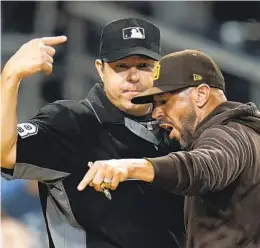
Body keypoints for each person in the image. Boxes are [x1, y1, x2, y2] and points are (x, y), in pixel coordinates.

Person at [1, 17, 184, 248]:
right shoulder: (71, 122)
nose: (133, 76)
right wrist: (10, 77)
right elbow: (5, 154)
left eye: (144, 65)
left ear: (158, 70)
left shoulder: (177, 128)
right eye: (121, 66)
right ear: (100, 69)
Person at [80, 49, 260, 248]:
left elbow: (202, 167)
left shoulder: (226, 134)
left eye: (164, 101)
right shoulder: (248, 134)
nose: (156, 113)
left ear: (201, 94)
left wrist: (130, 167)